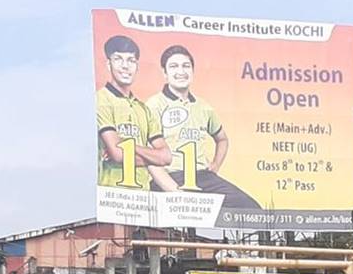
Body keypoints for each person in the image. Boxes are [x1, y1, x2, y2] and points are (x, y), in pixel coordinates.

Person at [145, 45, 261, 209]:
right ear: (165, 73)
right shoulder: (153, 105)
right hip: (171, 177)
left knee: (251, 208)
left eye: (186, 66)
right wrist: (176, 193)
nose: (181, 71)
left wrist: (215, 165)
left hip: (202, 177)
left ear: (192, 71)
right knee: (187, 216)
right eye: (174, 66)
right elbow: (149, 158)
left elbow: (222, 139)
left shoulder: (204, 107)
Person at [96, 35, 178, 192]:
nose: (125, 66)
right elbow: (118, 154)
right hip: (112, 196)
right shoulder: (102, 99)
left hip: (142, 198)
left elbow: (166, 157)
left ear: (137, 66)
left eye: (131, 60)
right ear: (108, 64)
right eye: (118, 59)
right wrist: (153, 157)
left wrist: (130, 146)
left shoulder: (143, 109)